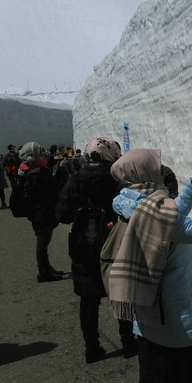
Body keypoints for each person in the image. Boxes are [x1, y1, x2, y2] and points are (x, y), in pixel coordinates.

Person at [109, 148, 192, 383]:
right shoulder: (156, 214)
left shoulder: (131, 203)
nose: (161, 172)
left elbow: (170, 216)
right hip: (178, 319)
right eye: (156, 168)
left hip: (149, 312)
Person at [55, 137, 136, 364]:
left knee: (88, 300)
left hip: (84, 245)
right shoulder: (118, 179)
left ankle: (92, 348)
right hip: (115, 243)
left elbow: (62, 215)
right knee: (121, 294)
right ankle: (129, 343)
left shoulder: (75, 179)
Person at [18, 142, 66, 282]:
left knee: (44, 240)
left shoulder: (30, 169)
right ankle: (43, 271)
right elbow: (53, 186)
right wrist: (60, 170)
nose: (43, 153)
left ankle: (46, 267)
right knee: (43, 241)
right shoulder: (37, 173)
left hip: (39, 211)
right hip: (42, 211)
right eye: (39, 151)